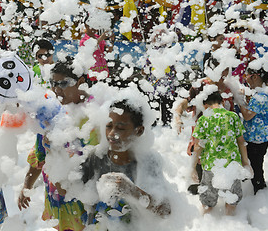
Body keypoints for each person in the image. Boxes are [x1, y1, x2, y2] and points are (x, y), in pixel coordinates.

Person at [18, 57, 98, 231]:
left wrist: (61, 149)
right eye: (53, 83)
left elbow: (97, 166)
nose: (56, 90)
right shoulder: (52, 112)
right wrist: (26, 186)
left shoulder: (95, 116)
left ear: (81, 81)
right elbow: (40, 154)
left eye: (62, 83)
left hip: (85, 205)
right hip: (58, 201)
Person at [80, 100, 171, 229]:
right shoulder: (96, 156)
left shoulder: (148, 162)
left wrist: (132, 191)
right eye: (108, 126)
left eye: (120, 128)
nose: (111, 134)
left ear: (138, 131)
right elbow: (75, 192)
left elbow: (165, 211)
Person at [175, 57, 234, 195]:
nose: (224, 73)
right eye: (222, 69)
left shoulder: (229, 88)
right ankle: (203, 187)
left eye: (226, 69)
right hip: (202, 134)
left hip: (222, 136)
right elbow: (185, 102)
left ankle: (218, 190)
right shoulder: (200, 86)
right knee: (201, 160)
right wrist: (178, 116)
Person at [192, 91, 251, 215]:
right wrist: (246, 163)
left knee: (207, 200)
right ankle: (230, 222)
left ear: (205, 105)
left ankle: (206, 224)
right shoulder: (233, 116)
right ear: (223, 102)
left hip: (210, 164)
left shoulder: (203, 119)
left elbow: (198, 146)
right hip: (232, 164)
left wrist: (192, 168)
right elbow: (241, 142)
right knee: (232, 198)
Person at [239, 67, 268, 194]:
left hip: (255, 141)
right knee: (256, 166)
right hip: (261, 139)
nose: (245, 79)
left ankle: (260, 193)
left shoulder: (260, 97)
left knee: (256, 169)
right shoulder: (265, 95)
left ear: (255, 76)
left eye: (246, 76)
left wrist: (240, 100)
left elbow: (247, 115)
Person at [80, 15, 114, 82]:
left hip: (102, 71)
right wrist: (101, 38)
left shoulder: (98, 37)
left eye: (95, 26)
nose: (94, 29)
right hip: (91, 73)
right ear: (86, 25)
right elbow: (90, 49)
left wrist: (112, 40)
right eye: (92, 26)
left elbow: (109, 51)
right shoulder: (84, 40)